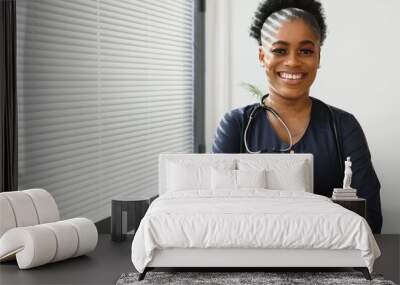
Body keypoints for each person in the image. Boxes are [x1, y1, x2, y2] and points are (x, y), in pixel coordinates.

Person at [212, 0, 383, 233]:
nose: (293, 61)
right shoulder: (236, 126)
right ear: (262, 57)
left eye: (305, 51)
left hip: (330, 260)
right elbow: (216, 215)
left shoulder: (343, 126)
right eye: (279, 50)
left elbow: (370, 217)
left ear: (318, 57)